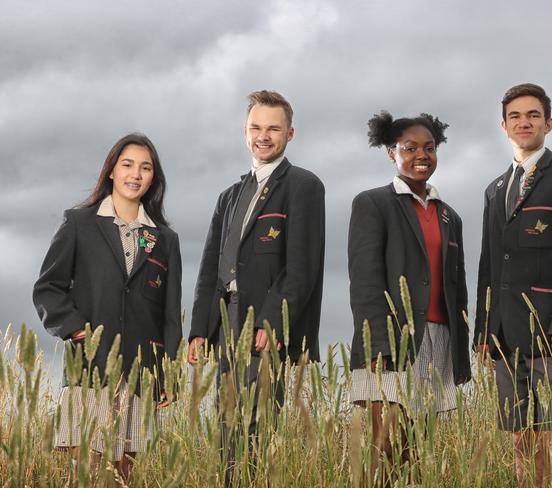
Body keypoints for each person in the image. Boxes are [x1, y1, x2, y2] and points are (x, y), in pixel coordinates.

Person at [33, 133, 182, 484]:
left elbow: (170, 313)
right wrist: (75, 329)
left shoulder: (164, 239)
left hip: (142, 374)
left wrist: (169, 373)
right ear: (112, 171)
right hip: (91, 368)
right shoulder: (79, 223)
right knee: (88, 473)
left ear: (153, 178)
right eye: (127, 165)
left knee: (123, 477)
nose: (136, 174)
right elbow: (47, 288)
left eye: (146, 168)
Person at [474, 83, 552, 487]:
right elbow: (489, 266)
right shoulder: (495, 189)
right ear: (504, 126)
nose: (524, 122)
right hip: (506, 335)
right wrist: (484, 330)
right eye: (515, 116)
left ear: (548, 123)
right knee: (519, 436)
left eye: (532, 115)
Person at [188, 90, 325, 445]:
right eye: (256, 127)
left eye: (274, 129)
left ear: (289, 134)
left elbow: (302, 266)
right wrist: (200, 329)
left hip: (265, 324)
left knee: (258, 426)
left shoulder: (303, 186)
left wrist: (272, 320)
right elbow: (210, 268)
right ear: (245, 131)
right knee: (226, 423)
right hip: (226, 322)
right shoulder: (229, 196)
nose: (263, 136)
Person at [348, 111, 471, 481]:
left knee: (414, 454)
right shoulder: (373, 204)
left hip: (436, 339)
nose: (422, 155)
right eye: (410, 147)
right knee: (383, 448)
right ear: (391, 152)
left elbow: (457, 286)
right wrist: (377, 347)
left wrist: (462, 350)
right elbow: (365, 281)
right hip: (389, 341)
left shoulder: (450, 216)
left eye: (429, 148)